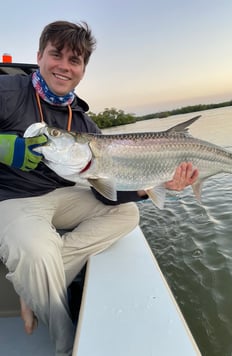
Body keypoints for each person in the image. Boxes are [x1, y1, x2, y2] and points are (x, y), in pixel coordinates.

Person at [0, 21, 198, 355]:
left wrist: (153, 184)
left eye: (74, 60)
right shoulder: (8, 93)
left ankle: (33, 286)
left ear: (82, 70)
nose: (64, 66)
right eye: (56, 55)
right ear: (39, 56)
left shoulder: (84, 123)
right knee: (36, 252)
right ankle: (64, 344)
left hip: (66, 194)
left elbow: (102, 189)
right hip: (15, 198)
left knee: (126, 215)